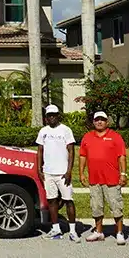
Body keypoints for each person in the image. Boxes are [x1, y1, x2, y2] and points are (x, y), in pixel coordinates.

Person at [79, 111, 128, 245]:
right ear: (93, 122)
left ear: (107, 122)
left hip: (112, 179)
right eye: (97, 120)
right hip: (95, 179)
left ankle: (119, 232)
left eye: (102, 120)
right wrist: (82, 173)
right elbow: (83, 156)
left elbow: (122, 156)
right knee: (96, 206)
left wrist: (123, 174)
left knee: (116, 206)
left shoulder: (115, 137)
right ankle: (99, 232)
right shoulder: (87, 137)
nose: (99, 122)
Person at [36, 104, 79, 242]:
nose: (52, 117)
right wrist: (39, 168)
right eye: (49, 115)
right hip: (48, 172)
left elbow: (71, 151)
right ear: (46, 117)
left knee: (68, 201)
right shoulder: (43, 131)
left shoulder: (66, 130)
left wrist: (69, 171)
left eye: (54, 114)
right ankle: (56, 229)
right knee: (52, 200)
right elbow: (40, 151)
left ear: (58, 115)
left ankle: (73, 231)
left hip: (62, 173)